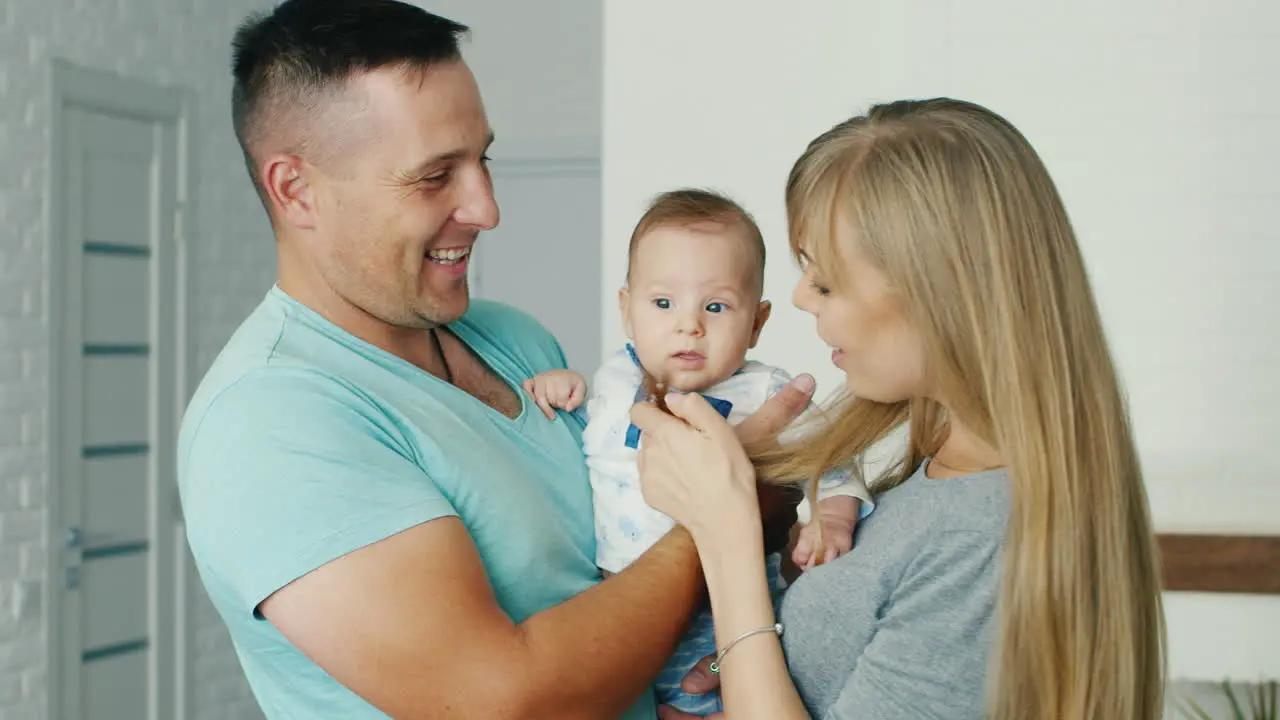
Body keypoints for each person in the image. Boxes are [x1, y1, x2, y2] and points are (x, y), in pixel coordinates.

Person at [176, 1, 806, 718]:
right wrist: (729, 508)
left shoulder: (514, 340)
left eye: (483, 159)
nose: (486, 207)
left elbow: (620, 573)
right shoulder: (269, 423)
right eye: (434, 175)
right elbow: (504, 701)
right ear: (297, 190)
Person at [632, 98, 1167, 720]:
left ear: (942, 293)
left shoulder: (984, 536)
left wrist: (727, 537)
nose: (802, 297)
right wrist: (754, 658)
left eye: (826, 280)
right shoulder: (944, 469)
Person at [523, 188, 873, 714]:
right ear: (626, 310)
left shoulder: (766, 393)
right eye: (663, 303)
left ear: (756, 323)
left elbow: (831, 462)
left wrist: (832, 517)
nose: (689, 325)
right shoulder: (614, 379)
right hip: (619, 597)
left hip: (726, 607)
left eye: (716, 306)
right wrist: (557, 386)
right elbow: (585, 441)